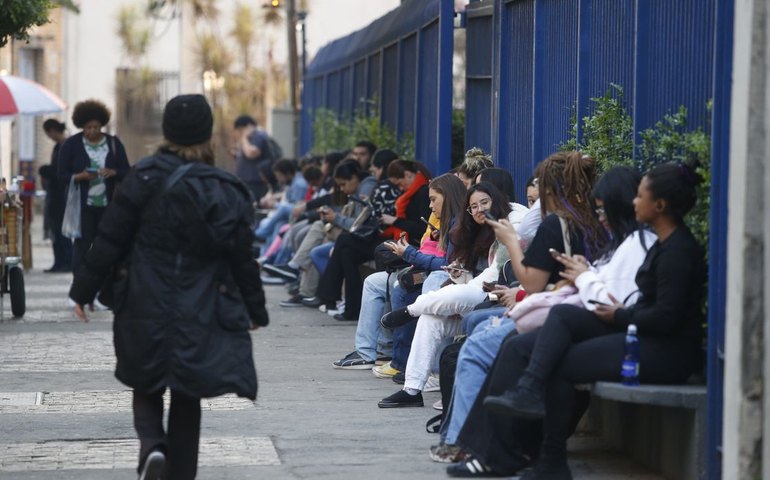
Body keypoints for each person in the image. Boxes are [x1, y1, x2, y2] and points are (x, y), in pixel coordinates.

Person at [456, 162, 706, 479]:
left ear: (659, 205)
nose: (634, 202)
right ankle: (541, 441)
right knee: (560, 320)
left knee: (554, 359)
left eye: (640, 196)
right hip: (641, 334)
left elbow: (666, 318)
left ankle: (544, 458)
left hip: (665, 351)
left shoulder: (677, 251)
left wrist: (616, 311)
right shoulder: (660, 244)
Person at [68, 94, 268, 480]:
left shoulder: (141, 177)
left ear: (167, 132)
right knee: (187, 389)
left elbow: (110, 240)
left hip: (143, 296)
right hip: (201, 302)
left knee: (145, 380)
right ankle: (181, 473)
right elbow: (242, 257)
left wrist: (82, 291)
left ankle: (152, 447)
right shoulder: (225, 187)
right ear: (207, 133)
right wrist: (255, 309)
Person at [433, 166, 654, 466]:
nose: (535, 201)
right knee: (491, 337)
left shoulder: (578, 229)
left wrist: (513, 244)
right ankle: (515, 452)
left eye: (540, 193)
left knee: (483, 346)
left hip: (596, 324)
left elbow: (564, 289)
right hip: (575, 316)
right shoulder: (611, 234)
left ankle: (473, 444)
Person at [377, 182, 512, 408]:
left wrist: (460, 288)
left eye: (484, 203)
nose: (479, 210)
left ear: (496, 202)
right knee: (430, 319)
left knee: (455, 292)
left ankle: (411, 310)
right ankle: (412, 389)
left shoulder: (505, 229)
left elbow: (490, 276)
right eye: (474, 206)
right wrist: (458, 272)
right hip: (470, 299)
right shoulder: (471, 232)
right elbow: (463, 272)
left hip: (491, 300)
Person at [332, 173, 466, 369]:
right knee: (373, 282)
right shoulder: (442, 218)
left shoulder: (460, 223)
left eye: (433, 200)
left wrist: (409, 253)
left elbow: (447, 264)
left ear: (449, 196)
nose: (430, 205)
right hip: (422, 266)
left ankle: (409, 361)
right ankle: (367, 352)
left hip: (437, 273)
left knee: (401, 284)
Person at [57, 99, 130, 274]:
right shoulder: (71, 144)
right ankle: (79, 287)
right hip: (83, 206)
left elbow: (126, 171)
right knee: (82, 247)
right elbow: (62, 175)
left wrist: (113, 173)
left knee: (107, 245)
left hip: (109, 204)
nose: (93, 131)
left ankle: (106, 286)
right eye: (88, 127)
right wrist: (79, 176)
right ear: (82, 126)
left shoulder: (113, 143)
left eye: (97, 127)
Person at [39, 119, 72, 272]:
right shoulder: (58, 147)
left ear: (52, 130)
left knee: (61, 230)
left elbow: (60, 172)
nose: (49, 136)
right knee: (55, 230)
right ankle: (59, 261)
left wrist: (46, 170)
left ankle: (66, 261)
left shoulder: (66, 146)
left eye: (48, 133)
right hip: (55, 194)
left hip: (63, 195)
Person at [233, 114, 276, 202]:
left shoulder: (258, 136)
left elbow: (251, 153)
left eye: (240, 130)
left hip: (256, 183)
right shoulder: (252, 137)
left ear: (248, 126)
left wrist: (244, 137)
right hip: (248, 182)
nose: (239, 133)